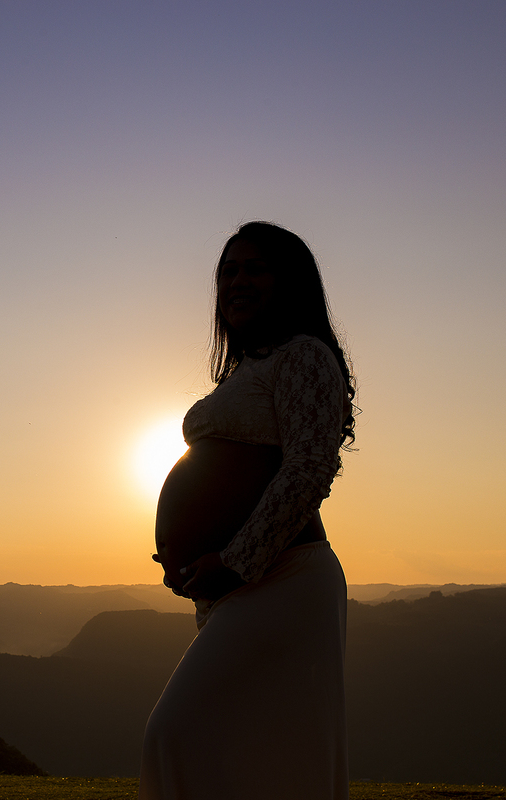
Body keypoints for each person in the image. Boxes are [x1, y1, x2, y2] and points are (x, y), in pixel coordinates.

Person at [140, 221, 356, 800]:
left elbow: (309, 468)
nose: (237, 280)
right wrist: (190, 553)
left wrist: (234, 560)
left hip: (284, 578)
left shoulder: (306, 357)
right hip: (239, 583)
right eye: (227, 269)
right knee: (239, 749)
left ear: (291, 282)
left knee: (177, 732)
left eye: (255, 267)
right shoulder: (247, 371)